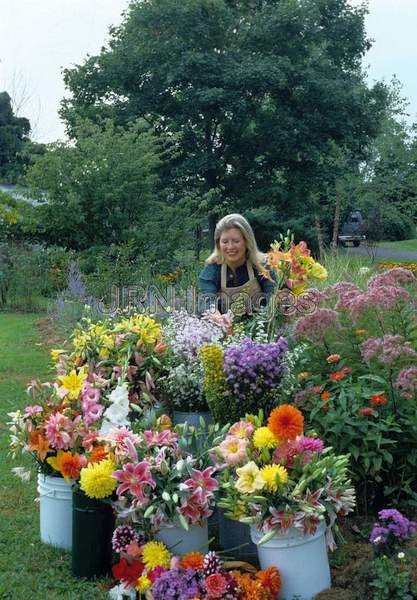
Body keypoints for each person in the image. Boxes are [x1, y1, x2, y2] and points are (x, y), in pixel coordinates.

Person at [199, 213, 275, 329]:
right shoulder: (213, 268)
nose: (230, 247)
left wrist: (259, 322)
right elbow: (207, 299)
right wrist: (217, 317)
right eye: (225, 242)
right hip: (224, 330)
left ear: (246, 241)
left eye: (236, 241)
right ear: (218, 244)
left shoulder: (263, 264)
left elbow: (272, 296)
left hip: (261, 328)